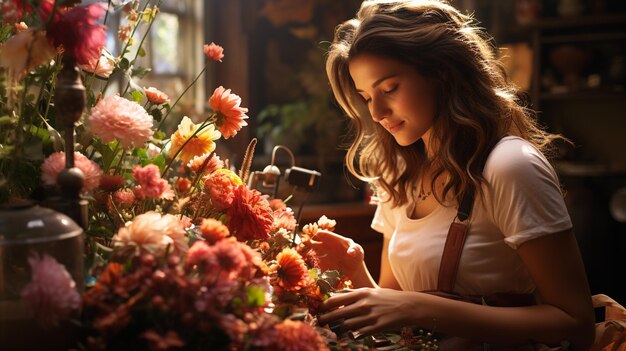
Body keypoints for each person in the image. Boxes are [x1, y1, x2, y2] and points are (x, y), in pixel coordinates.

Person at [312, 0, 596, 350]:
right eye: (366, 96)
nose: (378, 111)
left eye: (389, 88)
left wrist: (419, 307)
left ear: (442, 72)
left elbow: (576, 323)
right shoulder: (398, 173)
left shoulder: (509, 166)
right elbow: (395, 315)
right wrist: (355, 270)